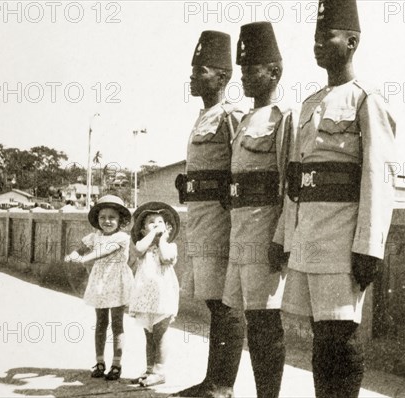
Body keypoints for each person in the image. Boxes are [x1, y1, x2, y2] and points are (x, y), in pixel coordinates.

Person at [270, 1, 397, 397]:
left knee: (340, 335)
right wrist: (281, 238)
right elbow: (296, 182)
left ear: (352, 41)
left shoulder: (366, 100)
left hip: (343, 240)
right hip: (308, 238)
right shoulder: (308, 105)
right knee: (318, 336)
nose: (317, 45)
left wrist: (369, 247)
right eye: (315, 38)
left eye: (327, 37)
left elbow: (379, 177)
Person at [222, 21, 294, 398]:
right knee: (243, 315)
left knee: (265, 321)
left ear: (275, 72)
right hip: (239, 232)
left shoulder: (284, 118)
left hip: (264, 234)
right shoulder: (244, 120)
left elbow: (288, 185)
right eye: (243, 69)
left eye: (253, 69)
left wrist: (281, 238)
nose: (246, 76)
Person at [172, 30, 245, 398]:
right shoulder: (203, 117)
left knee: (226, 302)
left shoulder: (232, 116)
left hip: (222, 220)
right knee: (214, 303)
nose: (192, 77)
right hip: (201, 220)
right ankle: (211, 380)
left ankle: (222, 385)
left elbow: (242, 167)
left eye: (200, 70)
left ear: (222, 77)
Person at [64, 194, 134, 380]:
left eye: (112, 217)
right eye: (102, 217)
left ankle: (116, 365)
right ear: (97, 219)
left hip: (117, 282)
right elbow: (80, 248)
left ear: (120, 219)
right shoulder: (94, 236)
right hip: (99, 283)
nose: (107, 221)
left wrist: (83, 259)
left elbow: (103, 251)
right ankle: (100, 362)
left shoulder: (122, 238)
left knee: (117, 324)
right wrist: (73, 255)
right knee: (101, 323)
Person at [128, 201, 181, 387]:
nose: (156, 224)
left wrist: (163, 240)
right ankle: (149, 369)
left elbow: (166, 258)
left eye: (160, 221)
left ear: (167, 227)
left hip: (163, 297)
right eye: (151, 222)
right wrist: (151, 235)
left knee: (161, 333)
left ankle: (160, 370)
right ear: (142, 230)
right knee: (148, 335)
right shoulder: (144, 245)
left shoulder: (170, 246)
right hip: (145, 298)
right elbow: (138, 249)